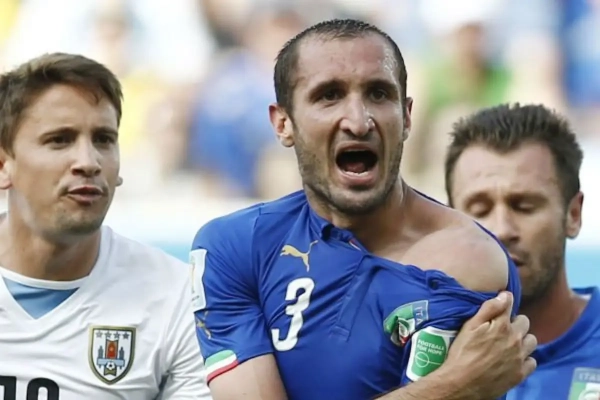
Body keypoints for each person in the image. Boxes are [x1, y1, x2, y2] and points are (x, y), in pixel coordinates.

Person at [190, 19, 536, 400]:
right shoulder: (236, 248)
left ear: (406, 116)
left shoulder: (467, 261)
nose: (358, 121)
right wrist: (452, 386)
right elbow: (455, 385)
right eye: (329, 95)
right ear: (283, 123)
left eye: (378, 94)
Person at [0, 53, 210, 399]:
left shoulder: (173, 298)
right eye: (60, 139)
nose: (88, 162)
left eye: (103, 139)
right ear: (4, 165)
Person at [444, 103, 600, 399]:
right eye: (480, 209)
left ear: (573, 215)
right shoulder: (415, 348)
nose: (502, 229)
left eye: (525, 206)